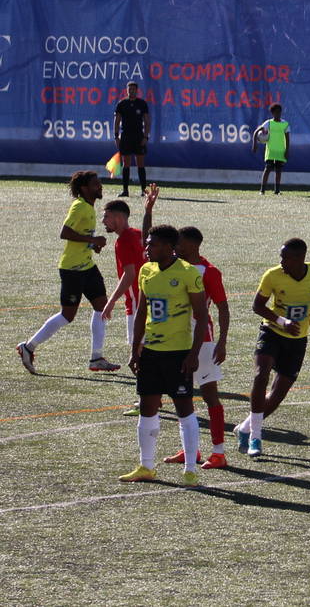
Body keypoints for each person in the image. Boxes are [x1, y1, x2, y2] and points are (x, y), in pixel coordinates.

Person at [234, 238, 310, 457]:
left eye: (286, 258)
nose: (281, 262)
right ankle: (255, 437)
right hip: (272, 332)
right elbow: (257, 306)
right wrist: (282, 322)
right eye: (281, 257)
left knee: (278, 394)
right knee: (261, 375)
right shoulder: (272, 275)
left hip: (298, 339)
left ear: (300, 258)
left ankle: (244, 428)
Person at [117, 225, 206, 486]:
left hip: (178, 353)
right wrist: (135, 349)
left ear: (169, 247)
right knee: (147, 407)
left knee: (184, 408)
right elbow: (141, 312)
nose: (147, 248)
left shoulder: (188, 273)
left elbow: (201, 317)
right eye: (147, 243)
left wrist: (193, 354)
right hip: (151, 353)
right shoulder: (146, 270)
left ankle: (190, 470)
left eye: (152, 244)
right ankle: (146, 466)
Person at [17, 170, 119, 374]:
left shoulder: (89, 207)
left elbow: (80, 235)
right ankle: (28, 347)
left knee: (102, 306)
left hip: (87, 266)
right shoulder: (79, 206)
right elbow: (64, 232)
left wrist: (92, 245)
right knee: (68, 315)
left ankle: (96, 358)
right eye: (95, 184)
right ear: (84, 188)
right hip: (72, 269)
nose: (100, 186)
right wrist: (93, 240)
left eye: (99, 183)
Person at [164, 226, 231, 469]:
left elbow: (223, 308)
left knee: (210, 395)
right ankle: (190, 448)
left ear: (192, 245)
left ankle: (219, 453)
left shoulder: (209, 272)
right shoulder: (174, 267)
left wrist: (222, 342)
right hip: (176, 340)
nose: (174, 247)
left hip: (203, 341)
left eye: (178, 243)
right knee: (182, 395)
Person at [100, 185, 156, 348]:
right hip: (152, 297)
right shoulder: (138, 234)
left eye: (106, 216)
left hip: (136, 301)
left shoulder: (123, 241)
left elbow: (129, 275)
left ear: (118, 218)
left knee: (137, 350)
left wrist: (111, 301)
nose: (103, 221)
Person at [113, 81, 151, 197]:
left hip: (139, 136)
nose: (131, 91)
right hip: (126, 136)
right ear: (127, 90)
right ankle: (125, 190)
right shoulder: (122, 104)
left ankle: (144, 190)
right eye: (129, 89)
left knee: (140, 163)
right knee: (126, 163)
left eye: (133, 89)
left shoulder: (142, 104)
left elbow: (147, 121)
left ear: (137, 90)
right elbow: (117, 121)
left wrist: (146, 136)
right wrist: (116, 136)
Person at [252, 103, 289, 195]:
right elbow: (256, 132)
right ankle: (262, 190)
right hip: (270, 151)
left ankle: (277, 191)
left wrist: (287, 150)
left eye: (279, 112)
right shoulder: (268, 123)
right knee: (267, 169)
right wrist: (255, 144)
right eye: (276, 112)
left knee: (278, 171)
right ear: (272, 113)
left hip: (280, 151)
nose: (278, 114)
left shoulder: (285, 124)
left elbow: (287, 138)